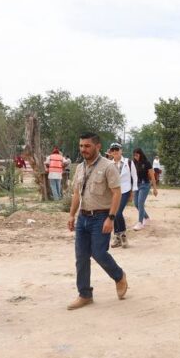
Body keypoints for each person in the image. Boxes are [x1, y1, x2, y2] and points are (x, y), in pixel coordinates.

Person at [67, 133, 128, 310]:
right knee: (81, 257)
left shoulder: (108, 166)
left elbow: (117, 193)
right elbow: (77, 194)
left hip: (101, 217)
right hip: (83, 217)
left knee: (99, 253)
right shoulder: (80, 168)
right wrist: (71, 215)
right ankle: (85, 294)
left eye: (87, 146)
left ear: (97, 146)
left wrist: (111, 218)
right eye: (81, 146)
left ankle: (119, 276)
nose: (83, 149)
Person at [107, 142, 137, 248]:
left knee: (118, 212)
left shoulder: (128, 162)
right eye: (113, 150)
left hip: (125, 190)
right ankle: (117, 237)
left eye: (117, 149)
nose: (115, 152)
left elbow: (134, 177)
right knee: (114, 213)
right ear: (110, 152)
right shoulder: (109, 164)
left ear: (121, 150)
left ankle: (123, 235)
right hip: (113, 192)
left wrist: (133, 192)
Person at [131, 148, 158, 231]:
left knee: (140, 202)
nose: (135, 156)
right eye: (134, 155)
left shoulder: (147, 163)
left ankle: (140, 223)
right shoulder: (133, 163)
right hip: (136, 185)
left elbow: (152, 176)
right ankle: (146, 217)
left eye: (137, 154)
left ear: (140, 154)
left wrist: (155, 188)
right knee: (136, 203)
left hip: (145, 185)